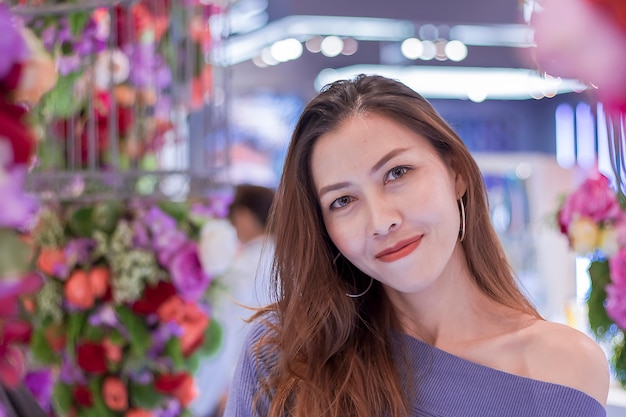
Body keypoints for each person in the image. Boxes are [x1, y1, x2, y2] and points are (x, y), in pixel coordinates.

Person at [223, 74, 610, 417]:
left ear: (456, 172)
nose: (381, 221)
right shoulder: (288, 355)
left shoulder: (565, 367)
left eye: (397, 173)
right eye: (342, 201)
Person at [192, 184, 276, 417]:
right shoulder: (293, 262)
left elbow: (227, 337)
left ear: (244, 217)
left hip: (239, 389)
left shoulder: (240, 270)